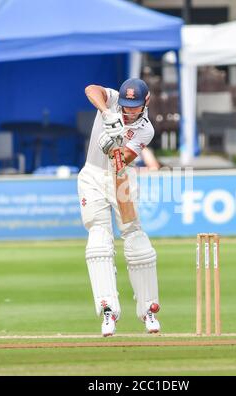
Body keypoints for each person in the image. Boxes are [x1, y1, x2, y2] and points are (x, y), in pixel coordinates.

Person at [78, 78, 160, 337]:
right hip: (92, 175)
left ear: (146, 102)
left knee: (134, 235)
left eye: (134, 106)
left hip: (120, 174)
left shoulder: (146, 130)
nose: (128, 110)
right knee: (99, 239)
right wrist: (106, 113)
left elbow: (123, 160)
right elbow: (90, 89)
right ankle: (108, 311)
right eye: (126, 105)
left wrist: (113, 145)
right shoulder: (113, 100)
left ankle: (148, 310)